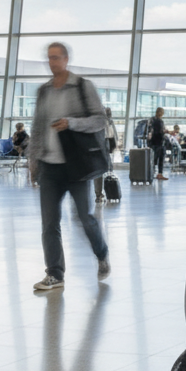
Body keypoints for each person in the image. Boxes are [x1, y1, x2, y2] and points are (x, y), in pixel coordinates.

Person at [28, 42, 111, 291]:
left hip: (76, 166)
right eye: (49, 58)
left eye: (56, 58)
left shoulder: (82, 86)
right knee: (49, 223)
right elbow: (37, 127)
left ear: (66, 59)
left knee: (84, 217)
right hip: (49, 166)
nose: (52, 62)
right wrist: (33, 161)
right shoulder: (43, 91)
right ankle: (55, 273)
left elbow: (100, 119)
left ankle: (101, 253)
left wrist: (71, 123)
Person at [94, 108, 120, 202]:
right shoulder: (107, 122)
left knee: (99, 171)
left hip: (98, 146)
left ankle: (99, 194)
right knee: (102, 171)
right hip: (103, 146)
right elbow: (111, 135)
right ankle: (102, 193)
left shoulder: (96, 121)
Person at [147, 107, 169, 180]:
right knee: (160, 158)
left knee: (154, 158)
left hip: (153, 142)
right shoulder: (159, 121)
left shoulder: (152, 120)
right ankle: (159, 173)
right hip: (159, 142)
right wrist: (167, 131)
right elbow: (160, 131)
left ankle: (152, 173)